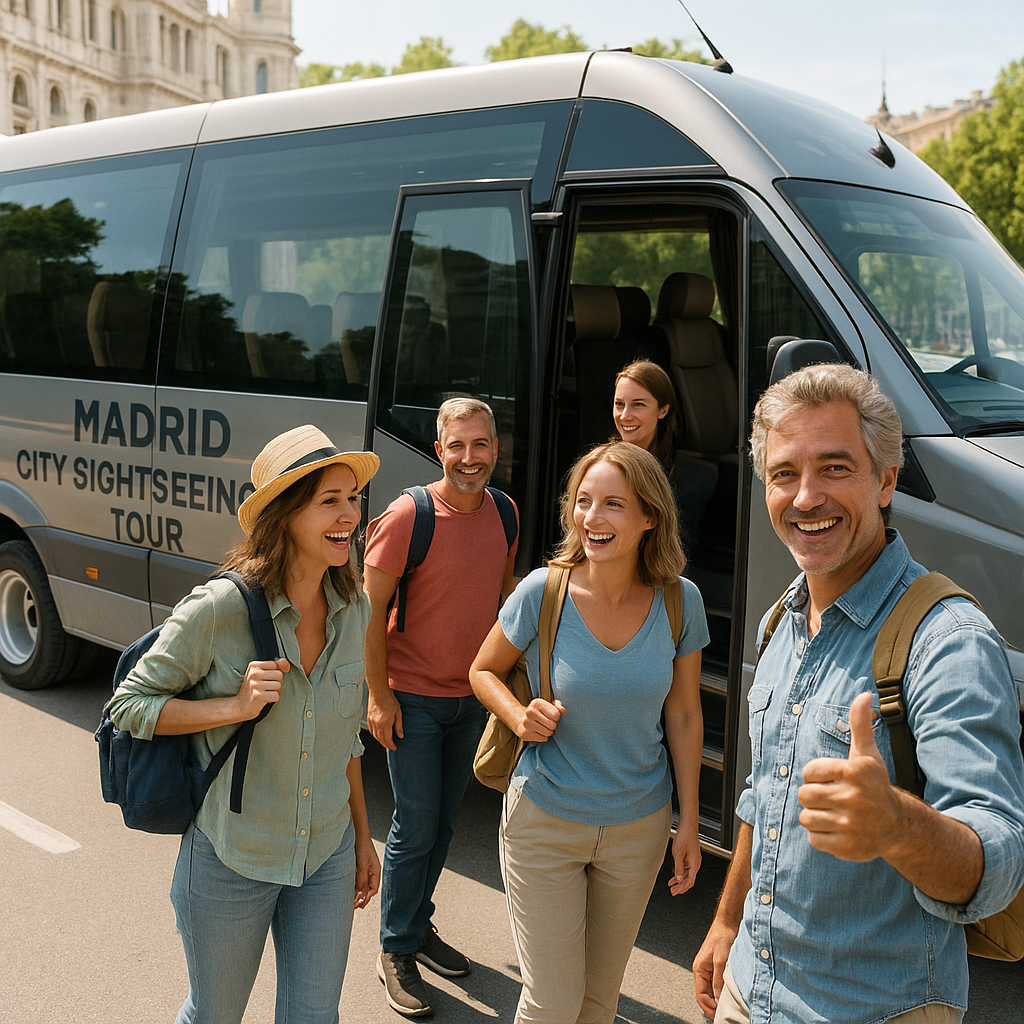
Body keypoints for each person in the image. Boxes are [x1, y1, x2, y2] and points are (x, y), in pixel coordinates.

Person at [693, 364, 1024, 1024]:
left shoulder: (948, 641)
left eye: (835, 468)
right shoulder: (781, 621)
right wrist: (727, 924)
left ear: (886, 481)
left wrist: (894, 824)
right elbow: (766, 792)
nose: (807, 496)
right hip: (748, 993)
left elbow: (999, 859)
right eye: (785, 473)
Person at [107, 423, 382, 1024]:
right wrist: (231, 707)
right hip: (233, 859)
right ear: (284, 516)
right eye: (329, 501)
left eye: (353, 498)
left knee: (314, 1017)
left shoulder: (355, 606)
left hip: (325, 855)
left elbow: (346, 741)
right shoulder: (220, 609)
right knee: (215, 1015)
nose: (350, 516)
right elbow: (128, 706)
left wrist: (363, 837)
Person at [470, 439, 709, 1024]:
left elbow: (683, 715)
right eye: (583, 502)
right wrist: (516, 714)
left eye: (613, 505)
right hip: (544, 822)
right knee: (551, 1004)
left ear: (649, 517)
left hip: (638, 830)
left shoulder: (681, 601)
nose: (592, 518)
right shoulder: (542, 591)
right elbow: (482, 670)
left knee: (598, 1006)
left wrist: (688, 823)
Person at [363, 397, 517, 1018]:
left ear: (495, 449)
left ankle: (417, 926)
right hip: (414, 700)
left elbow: (504, 597)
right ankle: (394, 948)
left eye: (480, 445)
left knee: (445, 825)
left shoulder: (504, 511)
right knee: (416, 824)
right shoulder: (408, 516)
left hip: (469, 700)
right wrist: (378, 698)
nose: (469, 458)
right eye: (457, 446)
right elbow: (370, 614)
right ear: (438, 448)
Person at [612, 358, 717, 550]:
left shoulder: (687, 480)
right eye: (619, 404)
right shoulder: (600, 468)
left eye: (638, 405)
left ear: (663, 410)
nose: (625, 415)